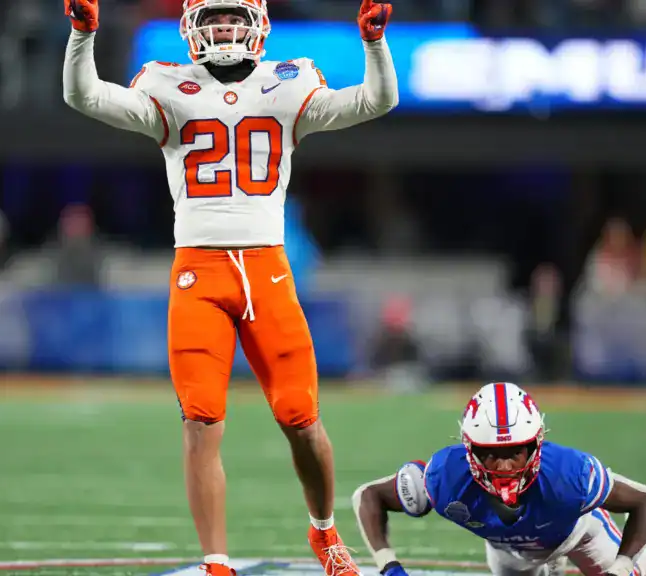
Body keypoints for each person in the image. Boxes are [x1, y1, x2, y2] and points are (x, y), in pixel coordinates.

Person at [61, 1, 399, 574]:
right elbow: (85, 96)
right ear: (192, 28)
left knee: (302, 419)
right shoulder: (167, 84)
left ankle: (324, 531)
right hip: (199, 272)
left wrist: (374, 44)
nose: (224, 29)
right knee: (201, 421)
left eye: (234, 19)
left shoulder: (288, 82)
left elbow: (375, 100)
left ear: (257, 26)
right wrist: (81, 34)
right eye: (214, 19)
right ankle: (216, 562)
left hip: (268, 271)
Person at [352, 382, 646, 576]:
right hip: (509, 555)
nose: (505, 466)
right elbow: (368, 496)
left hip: (577, 535)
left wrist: (621, 568)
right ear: (469, 449)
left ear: (536, 445)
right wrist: (388, 566)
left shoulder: (570, 474)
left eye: (515, 452)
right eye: (491, 453)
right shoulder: (444, 477)